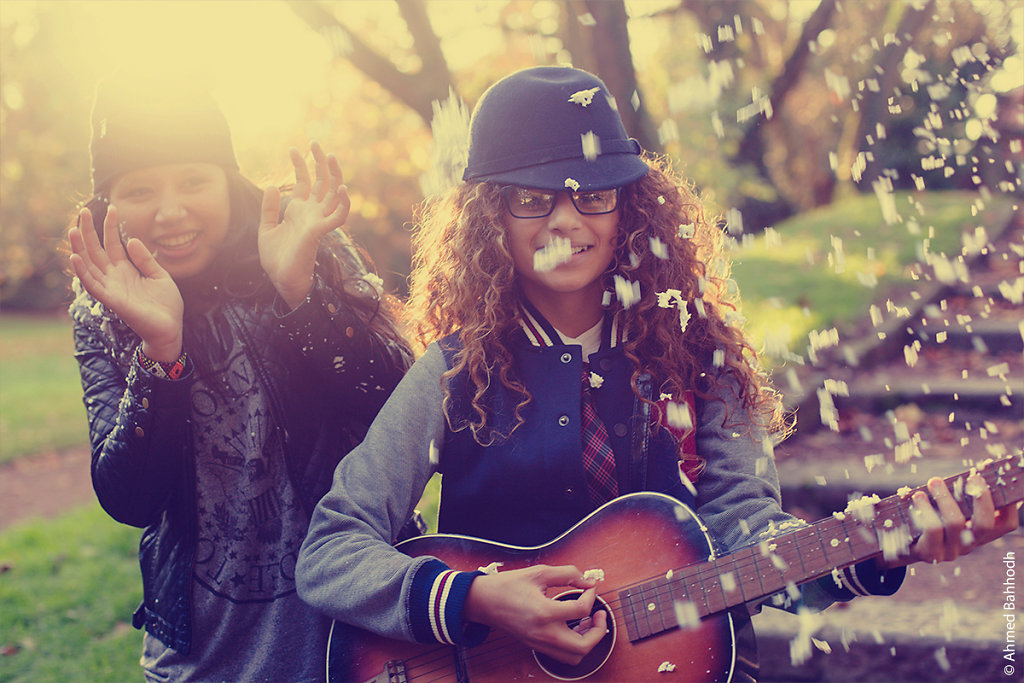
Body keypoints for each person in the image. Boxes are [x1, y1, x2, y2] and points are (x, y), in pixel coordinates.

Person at [295, 66, 1018, 678]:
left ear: (629, 205)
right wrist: (475, 599)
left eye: (593, 193)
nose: (565, 221)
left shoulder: (701, 357)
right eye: (530, 198)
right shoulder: (453, 372)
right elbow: (331, 551)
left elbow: (747, 535)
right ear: (490, 218)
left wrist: (880, 547)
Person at [67, 73, 411, 682]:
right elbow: (129, 497)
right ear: (109, 205)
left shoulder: (305, 245)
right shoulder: (101, 310)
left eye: (193, 180)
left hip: (358, 623)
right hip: (206, 653)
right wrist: (161, 350)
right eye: (141, 189)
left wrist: (300, 294)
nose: (171, 212)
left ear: (227, 180)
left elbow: (396, 404)